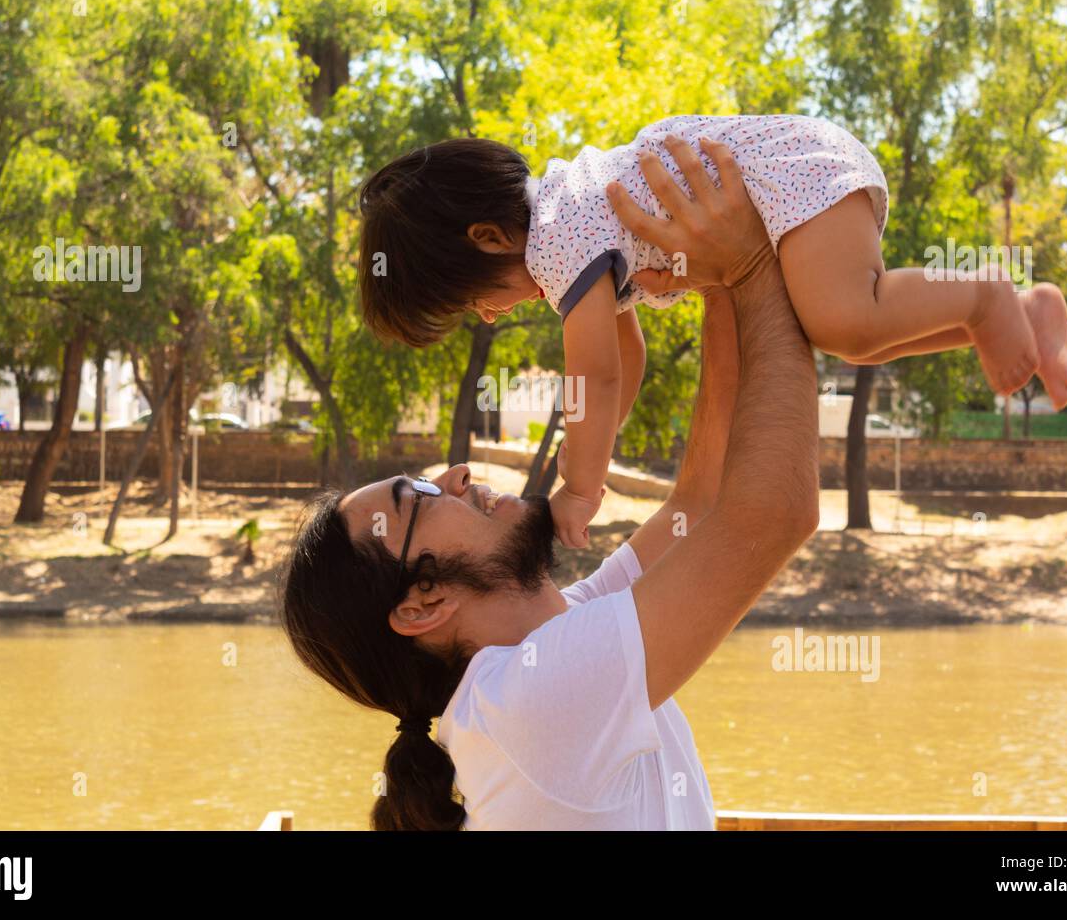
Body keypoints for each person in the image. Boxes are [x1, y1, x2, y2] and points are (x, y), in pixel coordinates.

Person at [282, 140, 819, 830]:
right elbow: (772, 513)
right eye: (420, 497)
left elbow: (702, 501)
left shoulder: (549, 642)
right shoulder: (526, 702)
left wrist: (721, 281)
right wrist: (751, 267)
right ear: (422, 605)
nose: (457, 474)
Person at [356, 115, 1067, 546]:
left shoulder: (557, 239)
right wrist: (598, 459)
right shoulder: (574, 230)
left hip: (788, 177)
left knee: (844, 317)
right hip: (795, 168)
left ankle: (987, 293)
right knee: (850, 334)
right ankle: (1022, 306)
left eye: (472, 302)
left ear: (488, 238)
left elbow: (593, 376)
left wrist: (577, 490)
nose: (486, 316)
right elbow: (624, 364)